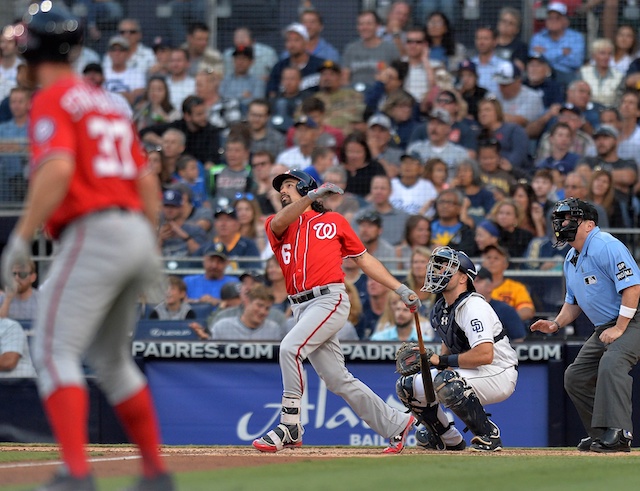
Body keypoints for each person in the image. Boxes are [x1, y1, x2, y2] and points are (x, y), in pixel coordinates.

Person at [1, 4, 173, 490]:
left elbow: (55, 169)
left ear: (32, 49)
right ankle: (156, 474)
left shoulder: (53, 97)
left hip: (93, 230)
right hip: (134, 230)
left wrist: (20, 236)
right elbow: (145, 180)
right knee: (114, 361)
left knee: (53, 351)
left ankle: (76, 474)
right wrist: (146, 243)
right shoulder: (106, 101)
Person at [253, 169, 421, 454]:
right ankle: (395, 423)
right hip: (300, 306)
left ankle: (290, 424)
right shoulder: (276, 223)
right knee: (337, 379)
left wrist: (400, 288)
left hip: (328, 299)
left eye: (290, 185)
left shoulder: (334, 221)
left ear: (306, 187)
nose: (283, 190)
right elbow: (283, 219)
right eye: (281, 188)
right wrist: (310, 197)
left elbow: (364, 259)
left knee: (289, 348)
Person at [531, 198, 640, 452]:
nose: (562, 224)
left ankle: (620, 433)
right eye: (560, 219)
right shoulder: (571, 257)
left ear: (589, 224)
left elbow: (633, 287)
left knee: (612, 363)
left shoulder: (605, 245)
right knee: (575, 376)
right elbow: (573, 302)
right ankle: (601, 433)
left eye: (569, 219)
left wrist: (620, 328)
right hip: (606, 325)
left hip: (633, 317)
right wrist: (556, 324)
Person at [395, 246, 518, 452]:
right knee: (407, 386)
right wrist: (434, 364)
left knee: (448, 383)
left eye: (446, 268)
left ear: (463, 278)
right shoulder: (441, 307)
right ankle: (445, 437)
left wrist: (441, 363)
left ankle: (488, 435)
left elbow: (485, 354)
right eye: (438, 267)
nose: (438, 271)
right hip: (471, 371)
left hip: (499, 372)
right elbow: (448, 349)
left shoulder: (473, 306)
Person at [528, 2, 585, 88]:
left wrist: (546, 54)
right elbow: (534, 60)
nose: (553, 21)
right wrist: (561, 52)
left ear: (565, 21)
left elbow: (576, 62)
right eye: (550, 18)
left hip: (566, 75)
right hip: (542, 76)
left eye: (557, 18)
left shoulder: (576, 37)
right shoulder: (538, 37)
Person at [341, 10, 400, 88]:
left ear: (377, 26)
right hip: (355, 96)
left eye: (369, 24)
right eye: (361, 24)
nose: (364, 28)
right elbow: (344, 78)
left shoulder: (389, 48)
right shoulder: (351, 49)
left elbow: (397, 78)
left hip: (381, 95)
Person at [209, 284, 288, 341]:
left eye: (267, 308)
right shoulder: (222, 326)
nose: (263, 312)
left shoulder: (274, 329)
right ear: (247, 302)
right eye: (259, 305)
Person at [480, 245, 535, 322]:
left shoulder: (516, 287)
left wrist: (504, 320)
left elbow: (527, 311)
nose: (491, 261)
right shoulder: (474, 286)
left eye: (496, 258)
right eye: (488, 257)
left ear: (505, 265)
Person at [474, 267, 527, 342]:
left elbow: (519, 341)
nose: (472, 284)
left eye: (477, 281)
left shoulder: (506, 310)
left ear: (490, 286)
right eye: (469, 280)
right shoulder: (459, 309)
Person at [578, 38, 623, 107]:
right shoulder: (583, 72)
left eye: (609, 54)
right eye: (602, 53)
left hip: (610, 112)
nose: (606, 57)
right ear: (594, 55)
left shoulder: (619, 76)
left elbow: (619, 101)